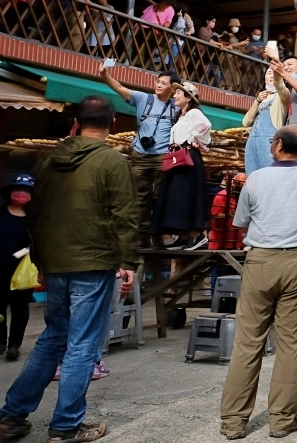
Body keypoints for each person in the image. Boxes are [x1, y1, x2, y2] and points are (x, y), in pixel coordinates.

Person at [0, 96, 137, 443]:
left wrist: (41, 261)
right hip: (93, 261)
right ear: (112, 124)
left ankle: (12, 415)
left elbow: (34, 216)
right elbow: (125, 215)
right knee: (81, 345)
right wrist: (128, 261)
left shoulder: (47, 161)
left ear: (76, 122)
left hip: (56, 262)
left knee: (52, 339)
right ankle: (64, 427)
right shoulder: (111, 160)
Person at [220, 126, 297, 440]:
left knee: (247, 345)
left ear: (277, 146)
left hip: (260, 261)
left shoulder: (256, 177)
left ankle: (234, 422)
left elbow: (241, 222)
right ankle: (282, 420)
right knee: (290, 346)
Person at [100, 64, 180, 247]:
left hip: (163, 156)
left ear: (173, 88)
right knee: (140, 197)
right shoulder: (144, 99)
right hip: (140, 155)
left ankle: (157, 234)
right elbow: (119, 88)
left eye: (164, 83)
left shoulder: (176, 107)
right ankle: (142, 235)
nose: (158, 85)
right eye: (158, 81)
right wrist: (104, 74)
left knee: (160, 197)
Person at [150, 81, 211, 250]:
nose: (175, 95)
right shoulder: (182, 115)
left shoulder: (194, 113)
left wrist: (191, 139)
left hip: (187, 156)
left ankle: (195, 236)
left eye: (178, 93)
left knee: (185, 194)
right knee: (178, 195)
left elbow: (207, 125)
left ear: (188, 97)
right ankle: (184, 235)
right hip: (179, 157)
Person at [0, 175, 34, 362]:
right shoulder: (1, 213)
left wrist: (25, 251)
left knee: (20, 308)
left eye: (27, 191)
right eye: (19, 190)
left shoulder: (32, 219)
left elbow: (37, 241)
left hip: (22, 271)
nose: (22, 194)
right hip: (0, 268)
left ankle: (14, 345)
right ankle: (0, 342)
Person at [242, 67, 290, 175]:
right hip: (252, 142)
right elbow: (246, 122)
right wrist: (257, 101)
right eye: (269, 73)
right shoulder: (261, 99)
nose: (272, 76)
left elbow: (281, 87)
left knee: (269, 175)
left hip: (268, 141)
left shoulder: (282, 97)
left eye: (275, 73)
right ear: (264, 78)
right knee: (252, 177)